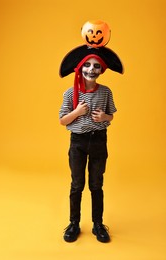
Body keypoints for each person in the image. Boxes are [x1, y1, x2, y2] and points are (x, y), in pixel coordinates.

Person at [59, 33, 123, 243]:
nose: (91, 70)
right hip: (77, 142)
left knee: (96, 184)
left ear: (102, 70)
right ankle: (74, 223)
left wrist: (105, 116)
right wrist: (77, 112)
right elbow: (62, 121)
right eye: (88, 65)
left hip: (98, 141)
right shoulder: (70, 93)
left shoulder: (105, 92)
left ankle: (98, 224)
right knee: (77, 184)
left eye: (96, 66)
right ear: (80, 68)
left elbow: (111, 114)